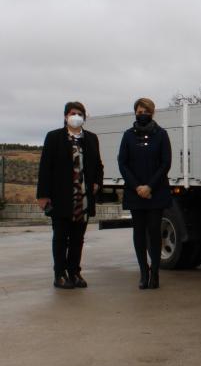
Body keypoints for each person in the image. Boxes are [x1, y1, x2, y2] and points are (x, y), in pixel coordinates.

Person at [37, 101, 104, 289]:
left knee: (77, 238)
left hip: (83, 197)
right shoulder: (54, 137)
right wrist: (43, 195)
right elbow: (45, 167)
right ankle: (60, 274)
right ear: (66, 116)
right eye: (72, 113)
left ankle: (74, 272)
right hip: (61, 197)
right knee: (60, 237)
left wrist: (97, 183)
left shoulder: (91, 138)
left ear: (84, 117)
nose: (76, 117)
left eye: (80, 114)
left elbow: (98, 164)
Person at [118, 98, 172, 289]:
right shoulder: (128, 136)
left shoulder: (162, 135)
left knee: (154, 231)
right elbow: (122, 163)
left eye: (146, 111)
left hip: (156, 191)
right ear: (135, 113)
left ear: (152, 112)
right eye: (139, 111)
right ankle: (143, 272)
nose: (142, 114)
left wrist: (149, 186)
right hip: (135, 192)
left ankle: (155, 273)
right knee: (139, 232)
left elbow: (166, 163)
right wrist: (137, 187)